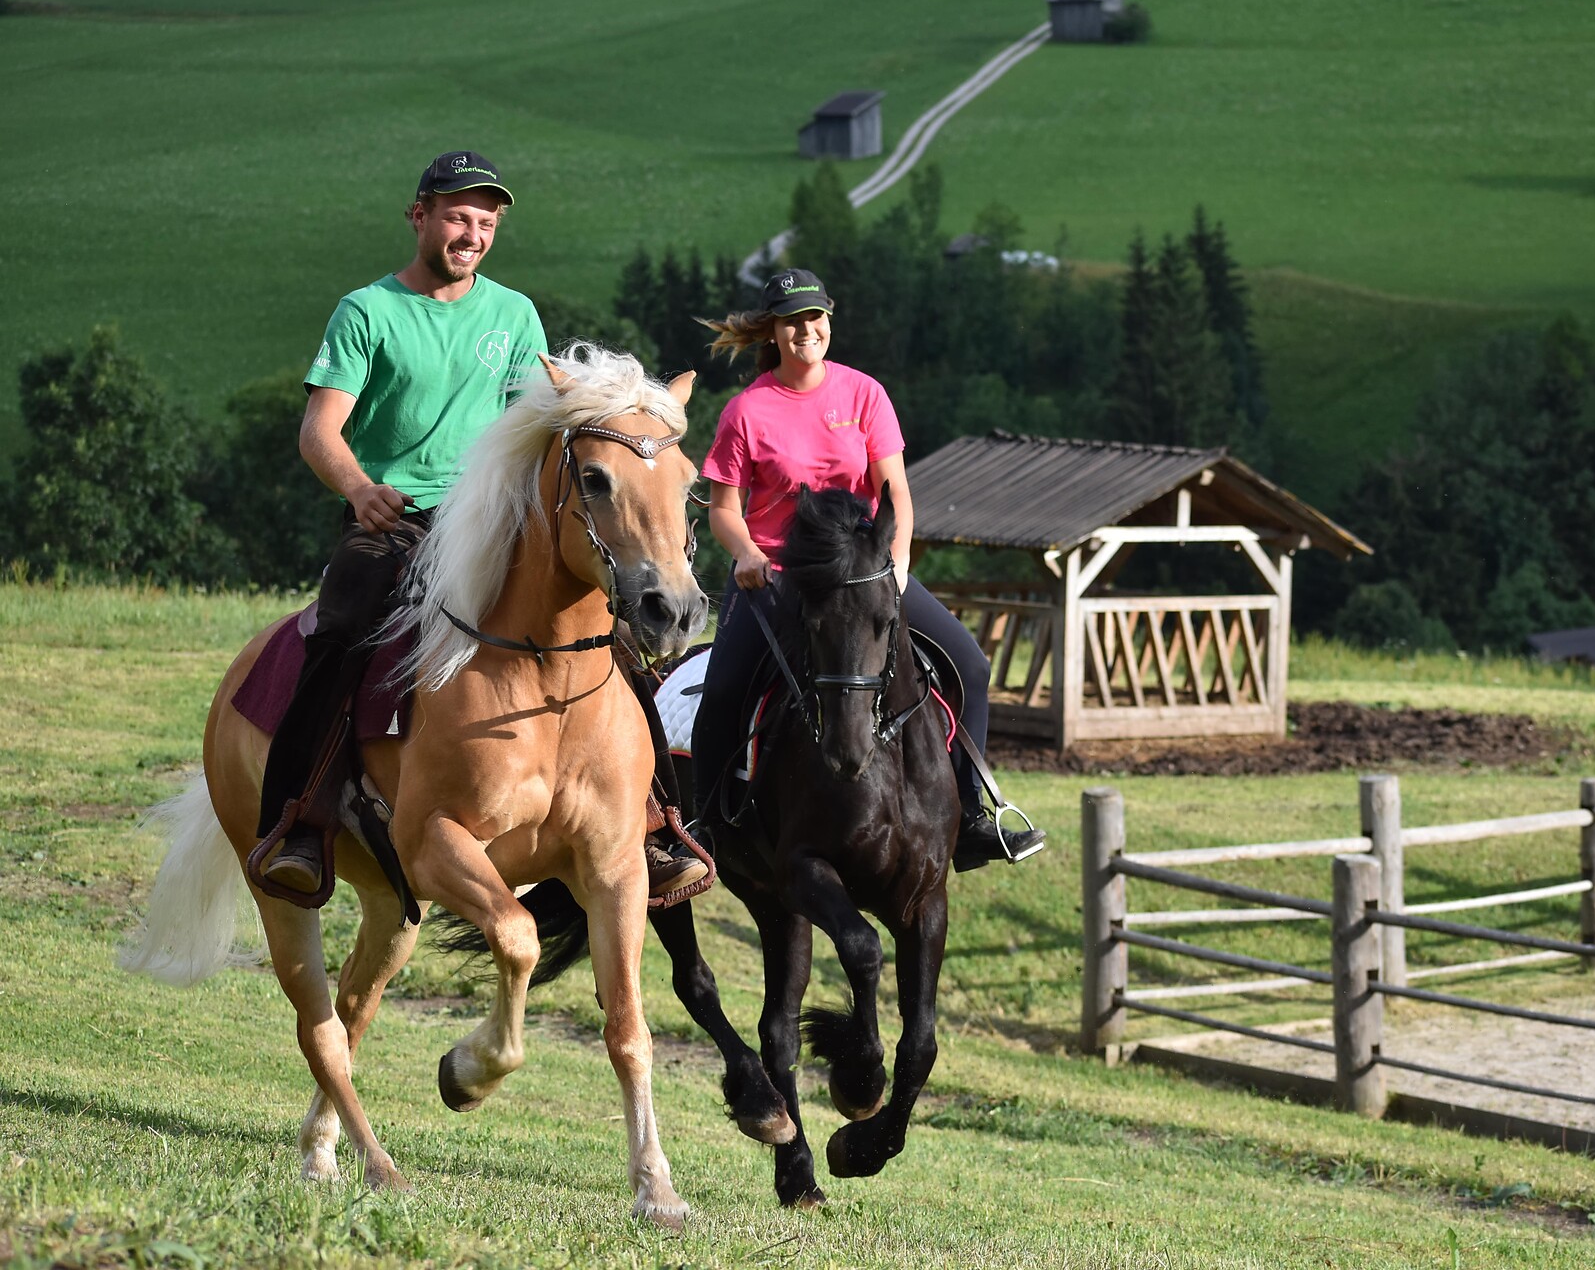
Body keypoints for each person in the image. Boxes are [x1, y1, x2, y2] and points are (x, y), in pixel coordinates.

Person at [252, 150, 708, 903]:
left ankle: (655, 824)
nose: (472, 235)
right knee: (342, 627)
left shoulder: (514, 314)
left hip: (497, 523)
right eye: (458, 218)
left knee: (616, 631)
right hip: (396, 518)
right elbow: (319, 431)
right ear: (419, 216)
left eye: (486, 223)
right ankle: (300, 818)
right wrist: (360, 489)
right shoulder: (366, 311)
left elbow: (533, 430)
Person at [690, 268, 1045, 872]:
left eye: (815, 317)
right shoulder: (746, 411)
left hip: (865, 571)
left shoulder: (864, 394)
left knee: (972, 664)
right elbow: (724, 509)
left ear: (829, 320)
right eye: (792, 321)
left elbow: (896, 494)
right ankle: (700, 828)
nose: (806, 330)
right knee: (723, 690)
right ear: (772, 331)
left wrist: (897, 565)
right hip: (777, 573)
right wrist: (746, 553)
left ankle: (973, 816)